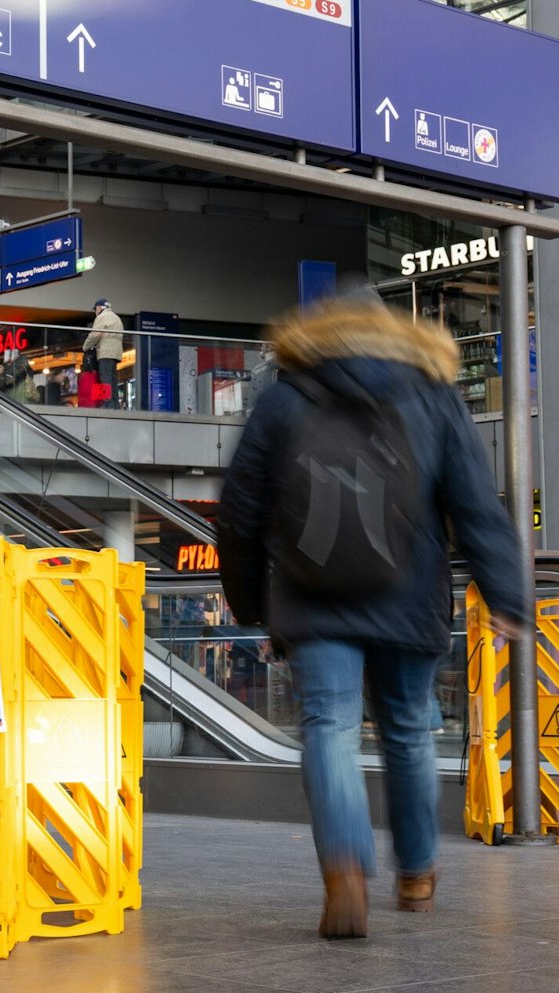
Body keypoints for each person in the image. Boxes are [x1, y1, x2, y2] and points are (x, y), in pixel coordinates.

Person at [216, 293, 529, 940]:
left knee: (327, 726)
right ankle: (415, 872)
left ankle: (345, 874)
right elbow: (474, 501)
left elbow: (241, 512)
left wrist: (250, 602)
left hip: (310, 594)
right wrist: (506, 595)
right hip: (407, 594)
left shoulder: (282, 397)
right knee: (410, 730)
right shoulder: (432, 393)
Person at [85, 297, 123, 408]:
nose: (95, 312)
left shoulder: (102, 317)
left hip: (105, 352)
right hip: (116, 353)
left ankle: (108, 403)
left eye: (95, 309)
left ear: (99, 307)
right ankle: (115, 404)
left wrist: (86, 346)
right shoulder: (117, 318)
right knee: (113, 378)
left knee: (105, 378)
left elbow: (95, 335)